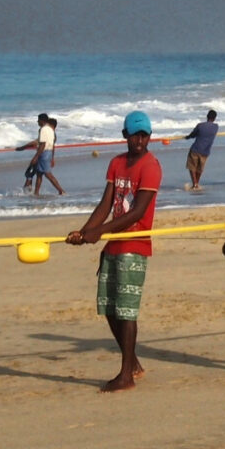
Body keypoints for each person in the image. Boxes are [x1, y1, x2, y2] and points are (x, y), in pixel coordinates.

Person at [66, 111, 163, 392]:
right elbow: (106, 204)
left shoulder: (151, 166)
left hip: (135, 245)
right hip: (113, 245)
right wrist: (84, 232)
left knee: (126, 311)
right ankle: (133, 364)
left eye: (144, 136)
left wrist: (100, 232)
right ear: (125, 136)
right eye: (135, 136)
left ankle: (126, 376)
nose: (140, 141)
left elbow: (137, 211)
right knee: (109, 308)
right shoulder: (116, 163)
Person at [16, 112, 65, 196]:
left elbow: (42, 144)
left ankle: (61, 191)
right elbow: (51, 145)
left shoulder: (43, 129)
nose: (37, 122)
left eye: (38, 120)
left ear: (42, 121)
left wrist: (35, 157)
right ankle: (36, 193)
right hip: (48, 152)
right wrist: (52, 158)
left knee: (47, 174)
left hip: (44, 153)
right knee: (39, 174)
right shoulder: (51, 130)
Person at [184, 109, 219, 189]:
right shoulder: (216, 127)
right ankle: (196, 183)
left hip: (196, 149)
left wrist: (188, 137)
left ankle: (195, 184)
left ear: (207, 116)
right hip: (205, 151)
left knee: (192, 167)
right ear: (214, 118)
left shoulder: (200, 126)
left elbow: (193, 135)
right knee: (200, 168)